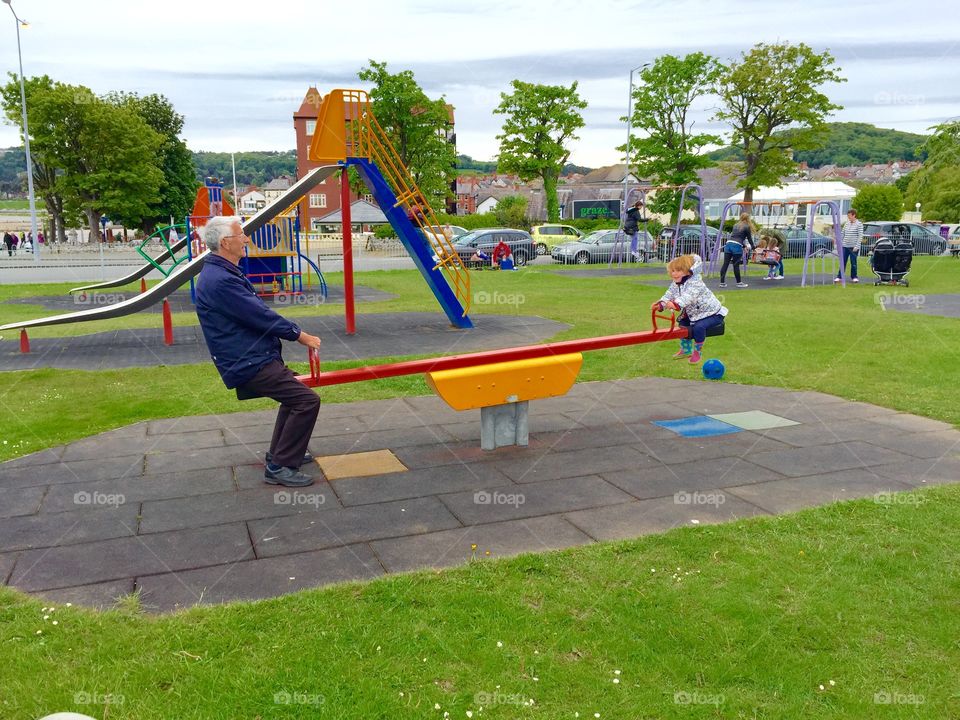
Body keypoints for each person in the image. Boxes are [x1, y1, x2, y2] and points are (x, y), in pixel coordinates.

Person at [195, 216, 323, 488]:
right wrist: (301, 336)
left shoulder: (223, 272)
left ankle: (280, 454)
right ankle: (279, 466)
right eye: (241, 235)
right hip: (247, 361)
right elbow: (259, 316)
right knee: (306, 401)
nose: (246, 239)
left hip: (251, 356)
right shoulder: (221, 280)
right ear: (225, 242)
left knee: (294, 394)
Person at [651, 254, 728, 364]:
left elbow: (688, 297)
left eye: (678, 270)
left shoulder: (696, 283)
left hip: (712, 313)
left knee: (699, 327)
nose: (674, 273)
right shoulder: (676, 283)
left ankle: (697, 352)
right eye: (672, 271)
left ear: (690, 271)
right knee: (682, 323)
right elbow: (669, 294)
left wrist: (676, 304)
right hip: (695, 312)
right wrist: (661, 304)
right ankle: (686, 349)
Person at [719, 212, 752, 288]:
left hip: (729, 244)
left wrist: (743, 246)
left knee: (725, 264)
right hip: (736, 247)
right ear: (748, 219)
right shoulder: (747, 227)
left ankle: (722, 283)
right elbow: (749, 239)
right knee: (736, 265)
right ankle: (739, 282)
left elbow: (735, 237)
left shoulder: (735, 225)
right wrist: (753, 248)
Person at [835, 209, 863, 283]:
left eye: (849, 216)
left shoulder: (859, 224)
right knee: (843, 262)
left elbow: (860, 236)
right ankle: (839, 276)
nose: (848, 217)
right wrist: (839, 241)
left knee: (853, 262)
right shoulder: (846, 224)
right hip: (845, 246)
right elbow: (842, 234)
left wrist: (857, 246)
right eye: (848, 216)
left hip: (854, 247)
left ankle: (854, 277)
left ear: (854, 215)